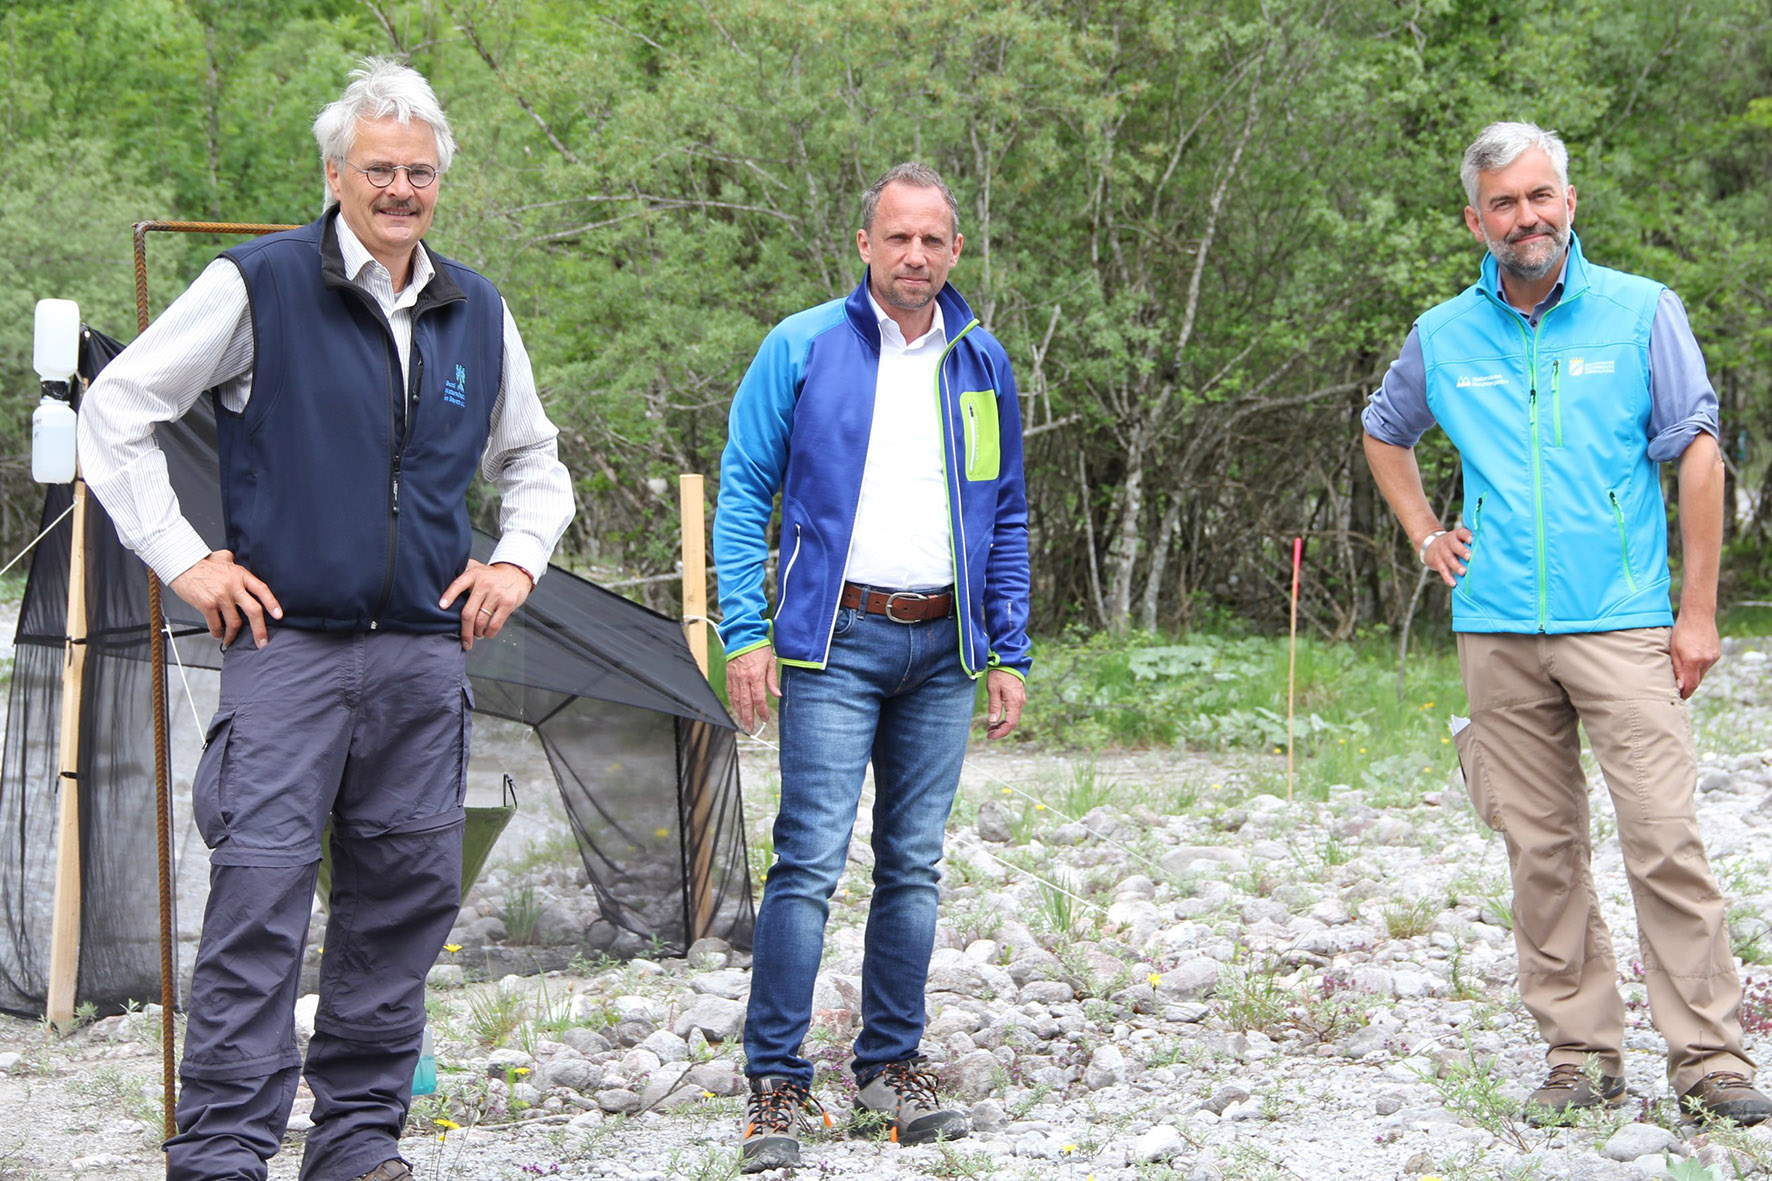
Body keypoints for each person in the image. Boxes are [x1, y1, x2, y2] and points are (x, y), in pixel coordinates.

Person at [77, 58, 574, 1181]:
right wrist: (186, 558)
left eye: (420, 172)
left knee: (399, 907)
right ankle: (221, 1151)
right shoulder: (255, 286)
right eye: (379, 169)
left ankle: (355, 1142)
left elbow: (535, 461)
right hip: (285, 649)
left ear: (440, 181)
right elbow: (116, 412)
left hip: (419, 656)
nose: (401, 189)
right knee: (257, 902)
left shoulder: (475, 310)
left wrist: (516, 562)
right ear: (334, 174)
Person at [1362, 121, 1768, 1127]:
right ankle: (1580, 1054)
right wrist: (1423, 533)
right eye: (1501, 203)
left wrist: (1697, 609)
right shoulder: (1443, 333)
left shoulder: (1640, 313)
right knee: (1539, 851)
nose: (1523, 217)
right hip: (1495, 627)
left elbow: (1698, 454)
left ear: (1568, 203)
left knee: (1662, 839)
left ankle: (1708, 1062)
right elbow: (1382, 430)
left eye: (1538, 196)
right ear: (1474, 220)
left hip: (1621, 622)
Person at [711, 162, 1032, 1171]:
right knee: (807, 857)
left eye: (933, 240)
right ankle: (776, 1079)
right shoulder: (799, 345)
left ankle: (891, 1063)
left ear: (955, 250)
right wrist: (743, 631)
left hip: (943, 647)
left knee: (913, 862)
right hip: (831, 640)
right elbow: (741, 491)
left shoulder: (981, 362)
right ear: (863, 243)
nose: (915, 256)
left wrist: (1008, 647)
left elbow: (1007, 511)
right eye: (897, 238)